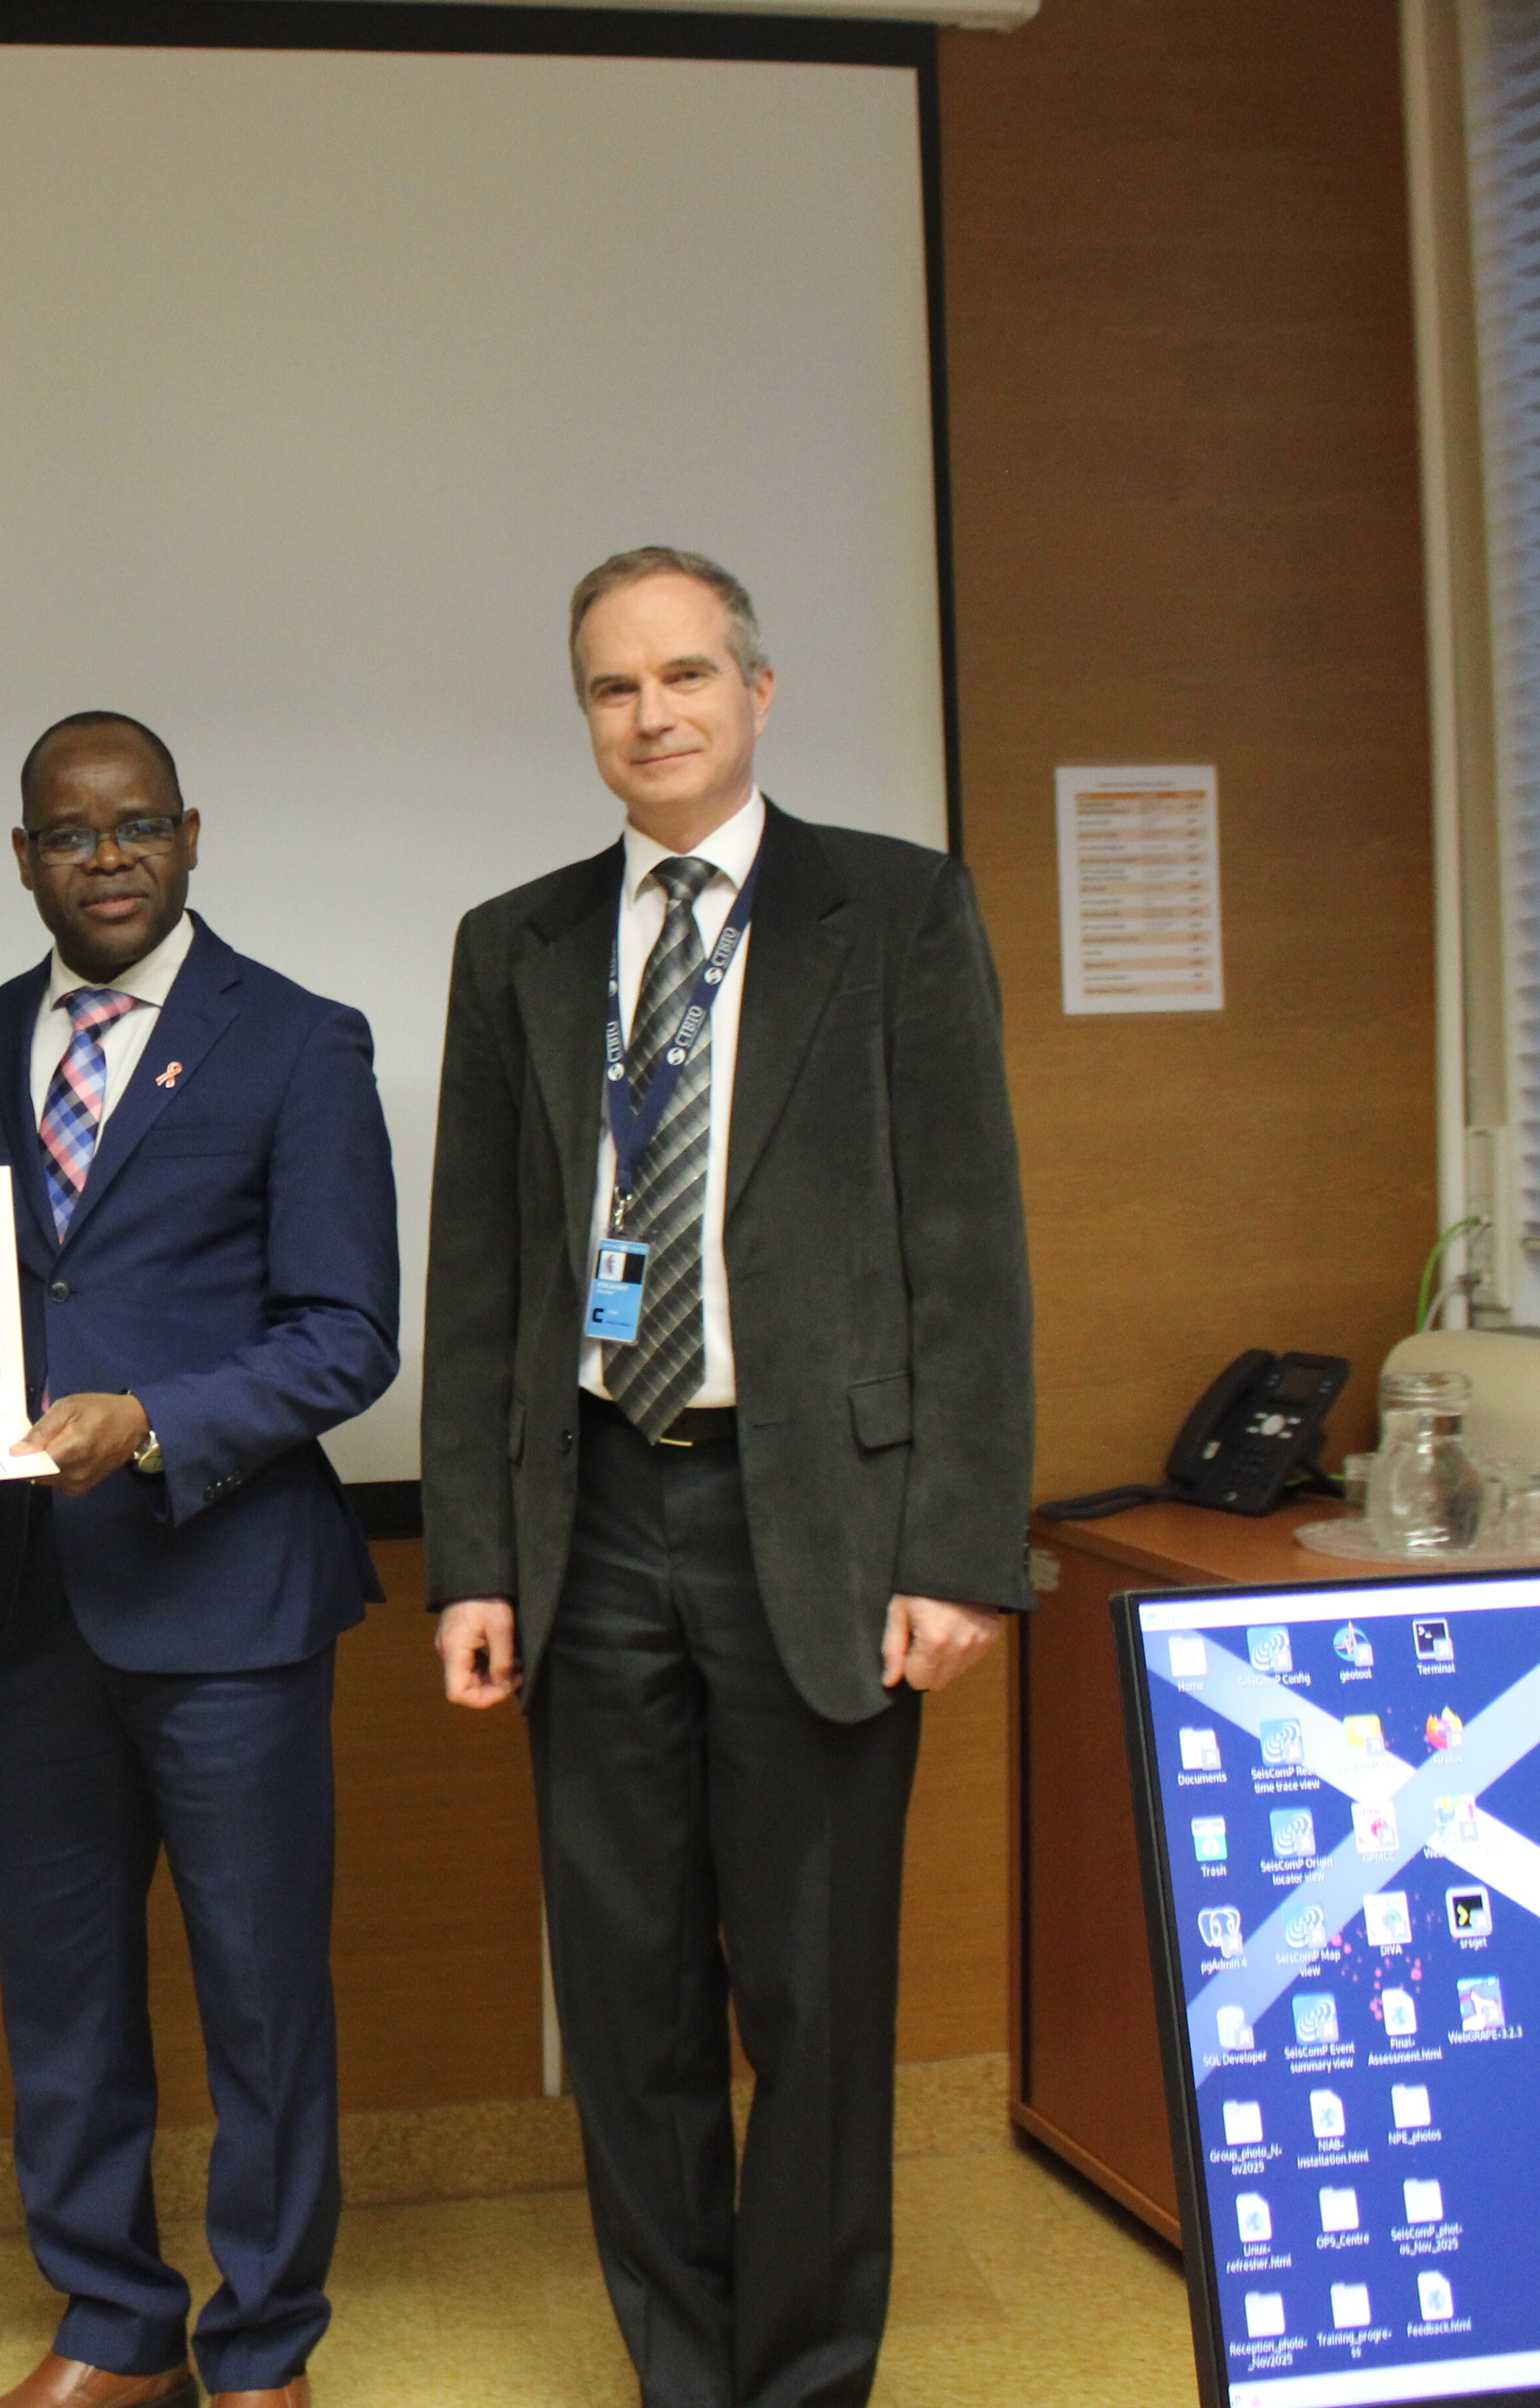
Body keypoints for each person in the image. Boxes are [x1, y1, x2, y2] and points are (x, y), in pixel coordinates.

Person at [420, 551, 1032, 2408]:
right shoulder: (515, 944)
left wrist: (963, 1550)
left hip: (819, 1520)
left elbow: (970, 1249)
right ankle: (687, 2377)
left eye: (686, 674)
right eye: (615, 687)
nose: (653, 713)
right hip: (594, 1510)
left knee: (817, 1997)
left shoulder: (897, 911)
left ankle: (807, 2380)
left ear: (759, 692)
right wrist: (473, 1560)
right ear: (586, 716)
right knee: (630, 2000)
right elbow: (482, 1278)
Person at [0, 712, 398, 2408]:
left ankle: (265, 2345)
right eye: (72, 834)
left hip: (233, 1596)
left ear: (192, 834)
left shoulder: (297, 1038)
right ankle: (114, 2325)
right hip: (37, 1599)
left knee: (262, 1997)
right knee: (62, 1986)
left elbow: (348, 1331)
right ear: (24, 859)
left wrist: (153, 1419)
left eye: (139, 824)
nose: (111, 856)